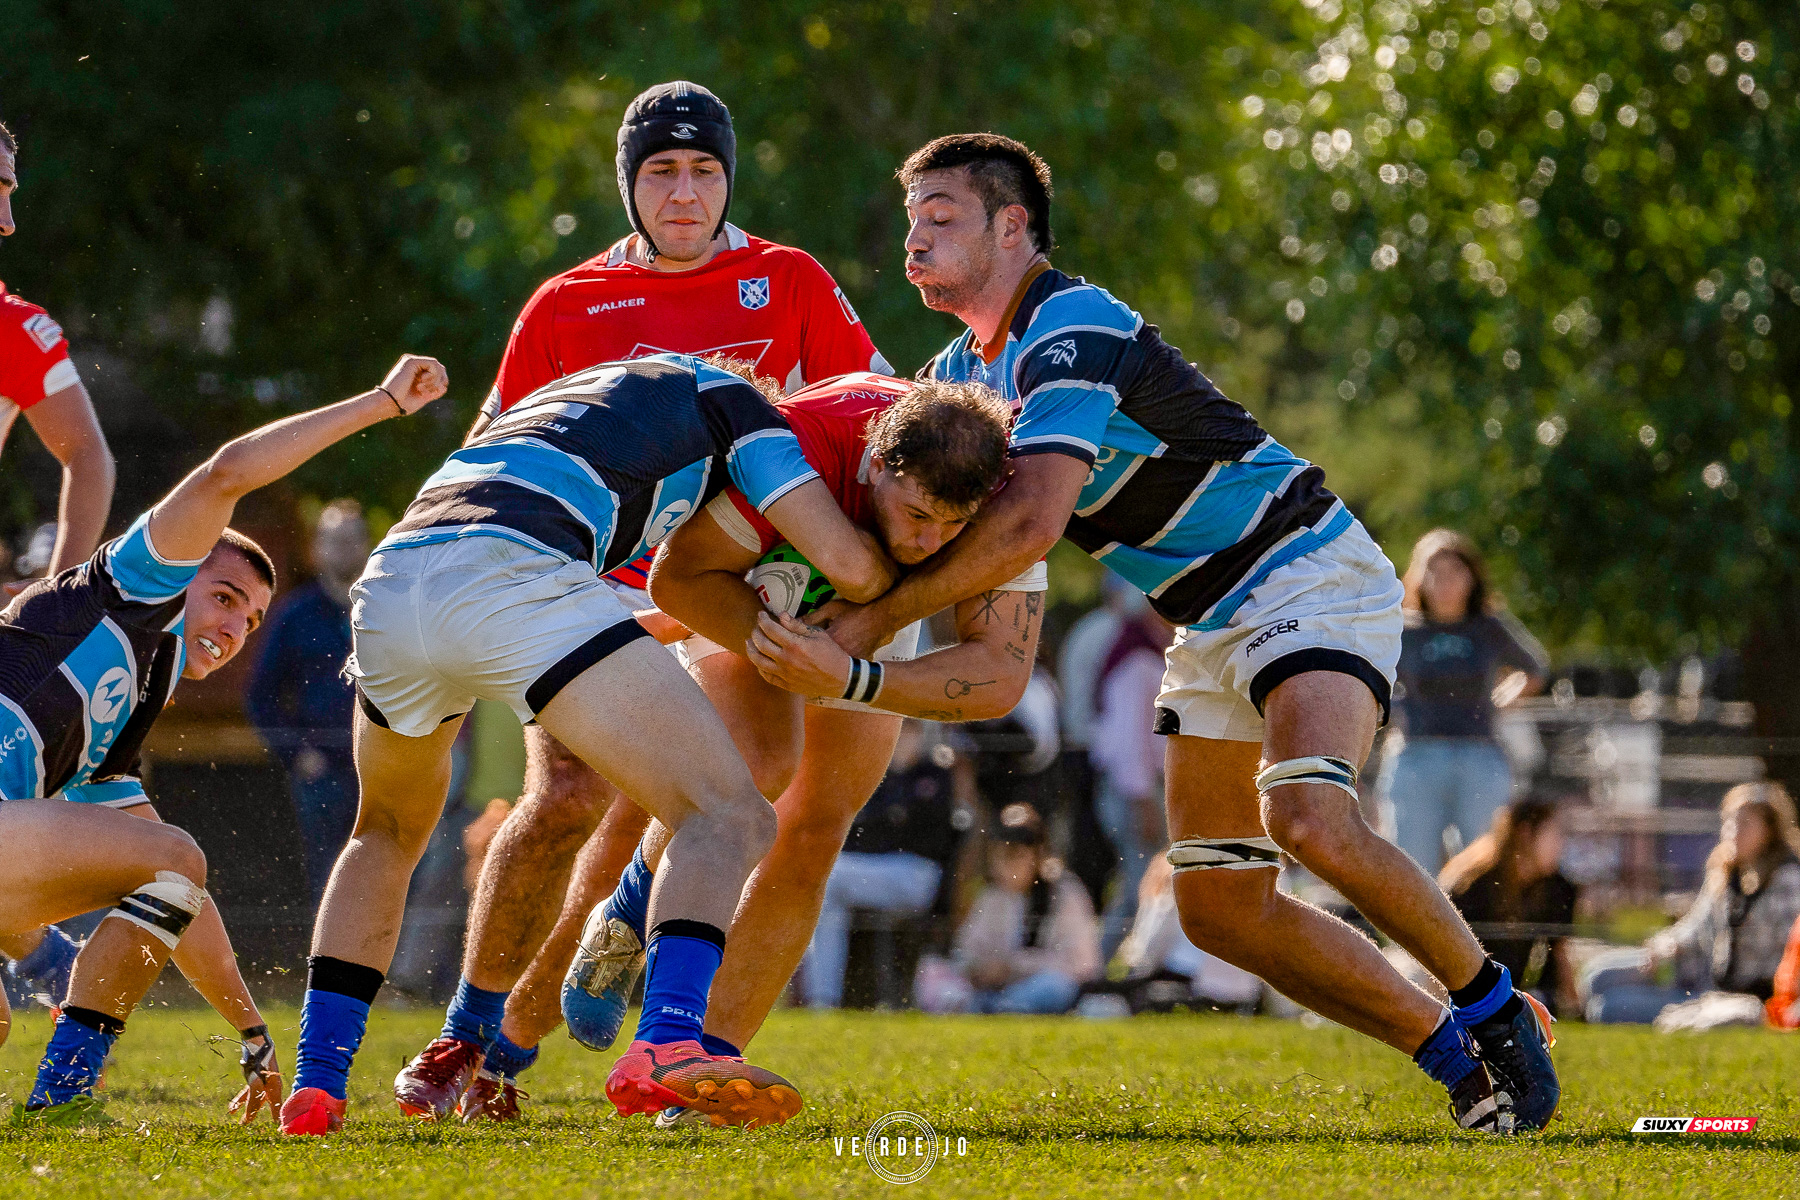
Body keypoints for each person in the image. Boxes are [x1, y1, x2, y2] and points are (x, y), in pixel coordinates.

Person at [817, 132, 1559, 1131]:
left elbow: (1031, 522)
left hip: (1306, 572)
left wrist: (865, 623)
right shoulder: (957, 374)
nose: (914, 242)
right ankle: (1456, 1060)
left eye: (940, 219)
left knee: (1308, 821)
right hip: (1210, 621)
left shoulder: (1068, 322)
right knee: (1218, 911)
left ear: (1011, 226)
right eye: (910, 223)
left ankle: (1495, 1004)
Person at [391, 79, 895, 1122]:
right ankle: (478, 1042)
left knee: (751, 778)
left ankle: (615, 997)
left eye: (704, 170)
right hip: (582, 590)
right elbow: (492, 453)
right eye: (661, 171)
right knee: (572, 806)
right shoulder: (567, 304)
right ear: (628, 185)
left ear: (729, 179)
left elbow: (873, 412)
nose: (684, 192)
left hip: (725, 580)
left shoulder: (786, 279)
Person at [280, 353, 895, 1136]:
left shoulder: (578, 390)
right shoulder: (750, 413)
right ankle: (667, 1043)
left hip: (397, 577)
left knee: (385, 832)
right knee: (731, 813)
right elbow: (845, 561)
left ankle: (317, 1087)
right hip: (515, 573)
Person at [498, 372, 1045, 1126]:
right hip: (750, 577)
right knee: (756, 771)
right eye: (917, 515)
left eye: (952, 530)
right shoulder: (800, 453)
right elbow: (681, 580)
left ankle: (706, 1076)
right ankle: (626, 934)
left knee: (815, 830)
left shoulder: (1012, 496)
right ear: (877, 467)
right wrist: (790, 649)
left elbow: (997, 680)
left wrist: (852, 670)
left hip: (862, 616)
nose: (929, 541)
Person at [0, 351, 448, 1125]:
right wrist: (379, 402)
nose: (234, 629)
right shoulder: (134, 584)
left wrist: (251, 1033)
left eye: (251, 620)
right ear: (182, 568)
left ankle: (60, 1092)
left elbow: (184, 898)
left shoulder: (120, 726)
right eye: (226, 598)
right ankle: (65, 1087)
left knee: (168, 874)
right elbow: (228, 473)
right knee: (172, 859)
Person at [1377, 530, 1550, 873]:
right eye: (1435, 572)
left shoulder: (1488, 627)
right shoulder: (1401, 630)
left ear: (1472, 577)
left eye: (1455, 571)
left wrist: (1508, 695)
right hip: (1415, 757)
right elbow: (1373, 678)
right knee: (1411, 867)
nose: (1445, 582)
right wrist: (1390, 710)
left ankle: (1477, 930)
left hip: (1479, 756)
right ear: (1418, 578)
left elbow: (1536, 667)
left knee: (1484, 866)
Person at [0, 120, 116, 585]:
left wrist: (54, 599)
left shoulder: (13, 330)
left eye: (8, 191)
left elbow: (88, 456)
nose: (7, 222)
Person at [1583, 782, 1800, 1024]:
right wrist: (1665, 946)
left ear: (1769, 831)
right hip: (1691, 975)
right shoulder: (1726, 872)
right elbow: (1695, 926)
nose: (1733, 831)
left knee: (1607, 1008)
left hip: (1734, 999)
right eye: (1729, 821)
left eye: (1745, 823)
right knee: (1596, 977)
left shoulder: (1787, 880)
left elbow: (1791, 957)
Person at [244, 500, 369, 907]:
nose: (345, 550)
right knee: (329, 877)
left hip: (382, 767)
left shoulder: (384, 608)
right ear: (317, 549)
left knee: (384, 873)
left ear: (368, 545)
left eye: (353, 540)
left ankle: (387, 970)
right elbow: (260, 694)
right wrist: (296, 754)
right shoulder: (295, 614)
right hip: (322, 774)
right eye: (335, 540)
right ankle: (328, 969)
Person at [801, 718, 965, 1010]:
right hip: (875, 874)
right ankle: (821, 999)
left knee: (831, 878)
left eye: (912, 727)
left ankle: (822, 999)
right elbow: (862, 831)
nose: (905, 735)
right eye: (900, 726)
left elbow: (928, 836)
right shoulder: (876, 773)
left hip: (918, 876)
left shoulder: (936, 775)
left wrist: (901, 779)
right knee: (826, 885)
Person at [915, 803, 1100, 1014]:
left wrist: (1014, 968)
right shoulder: (992, 896)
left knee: (1054, 986)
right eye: (998, 856)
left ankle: (997, 1009)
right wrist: (979, 970)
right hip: (991, 990)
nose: (1004, 866)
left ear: (1038, 855)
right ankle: (984, 1008)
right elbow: (966, 950)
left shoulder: (1065, 893)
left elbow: (1082, 965)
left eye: (1015, 855)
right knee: (932, 971)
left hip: (1039, 988)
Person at [1440, 801, 1580, 1018]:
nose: (1560, 844)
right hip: (1466, 991)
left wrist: (1576, 1011)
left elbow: (1559, 954)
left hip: (1523, 995)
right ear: (1525, 833)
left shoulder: (1557, 887)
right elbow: (1448, 952)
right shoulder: (1472, 884)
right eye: (1553, 834)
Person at [1056, 571, 1146, 906]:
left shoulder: (1087, 627)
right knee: (1095, 851)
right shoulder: (1111, 631)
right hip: (1096, 751)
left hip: (1083, 746)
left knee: (1090, 846)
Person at [1091, 604, 1175, 960]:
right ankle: (1097, 968)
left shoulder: (1146, 653)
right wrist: (1142, 801)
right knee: (1140, 885)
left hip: (1145, 788)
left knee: (1137, 882)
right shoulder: (1136, 661)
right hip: (1135, 790)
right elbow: (1130, 741)